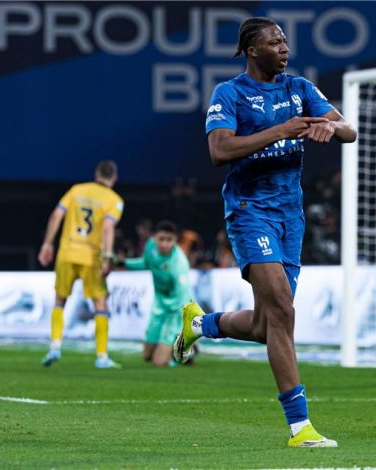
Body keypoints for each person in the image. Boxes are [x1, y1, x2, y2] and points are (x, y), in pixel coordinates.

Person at [171, 17, 356, 448]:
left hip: (290, 217)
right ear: (253, 51)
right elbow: (219, 150)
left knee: (263, 325)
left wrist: (331, 126)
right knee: (283, 314)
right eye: (275, 42)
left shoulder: (299, 89)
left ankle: (200, 323)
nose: (284, 48)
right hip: (250, 210)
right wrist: (280, 131)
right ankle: (300, 427)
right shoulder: (230, 94)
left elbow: (349, 128)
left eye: (286, 41)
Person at [38, 160, 124, 369]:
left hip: (67, 251)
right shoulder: (115, 200)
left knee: (60, 300)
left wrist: (47, 244)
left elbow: (57, 214)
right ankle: (102, 356)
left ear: (96, 174)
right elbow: (107, 228)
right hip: (92, 256)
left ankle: (55, 347)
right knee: (100, 304)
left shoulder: (76, 190)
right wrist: (107, 257)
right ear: (114, 178)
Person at [119, 220, 192, 367]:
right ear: (154, 238)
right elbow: (146, 263)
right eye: (161, 239)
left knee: (159, 362)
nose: (164, 244)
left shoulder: (179, 264)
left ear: (175, 240)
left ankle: (185, 346)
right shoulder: (150, 246)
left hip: (175, 310)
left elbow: (182, 298)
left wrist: (179, 323)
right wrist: (123, 263)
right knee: (147, 356)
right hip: (158, 305)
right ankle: (183, 347)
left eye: (169, 240)